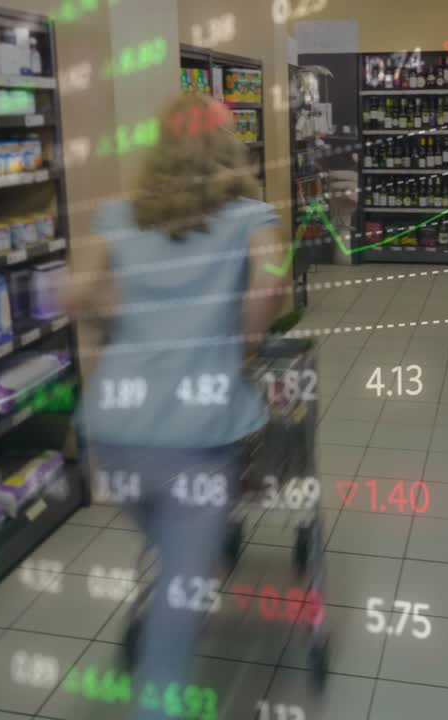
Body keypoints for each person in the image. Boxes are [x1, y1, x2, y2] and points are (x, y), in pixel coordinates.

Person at [62, 92, 290, 717]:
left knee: (168, 547)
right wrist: (243, 338)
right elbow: (273, 287)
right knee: (180, 596)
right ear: (229, 150)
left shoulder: (113, 215)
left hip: (116, 431)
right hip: (198, 433)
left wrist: (125, 323)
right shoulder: (255, 217)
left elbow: (77, 293)